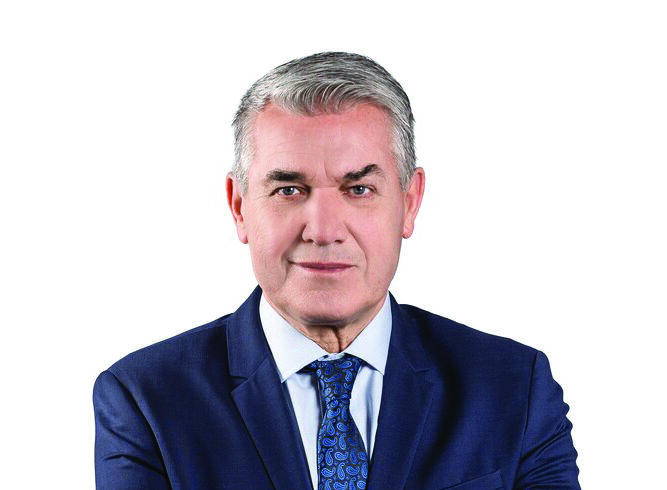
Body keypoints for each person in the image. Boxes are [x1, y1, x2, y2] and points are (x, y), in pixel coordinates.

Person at [93, 52, 580, 490]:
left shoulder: (513, 388)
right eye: (288, 190)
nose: (323, 230)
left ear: (409, 202)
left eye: (359, 189)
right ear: (239, 206)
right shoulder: (146, 401)